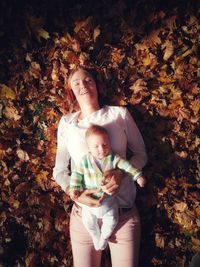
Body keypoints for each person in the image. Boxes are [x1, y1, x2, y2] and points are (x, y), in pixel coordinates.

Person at [53, 66, 148, 267]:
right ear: (71, 92)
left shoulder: (118, 114)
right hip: (83, 216)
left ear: (96, 85)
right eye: (76, 83)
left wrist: (122, 173)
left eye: (88, 80)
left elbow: (141, 154)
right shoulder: (67, 124)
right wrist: (74, 193)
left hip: (122, 214)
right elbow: (60, 170)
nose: (83, 85)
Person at [69, 124, 146, 251]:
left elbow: (127, 167)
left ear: (109, 143)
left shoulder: (113, 158)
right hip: (89, 204)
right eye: (96, 146)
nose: (101, 149)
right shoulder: (85, 161)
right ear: (88, 147)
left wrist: (138, 176)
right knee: (88, 222)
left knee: (112, 221)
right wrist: (74, 189)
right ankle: (95, 235)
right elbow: (76, 175)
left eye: (105, 145)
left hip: (109, 201)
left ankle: (104, 237)